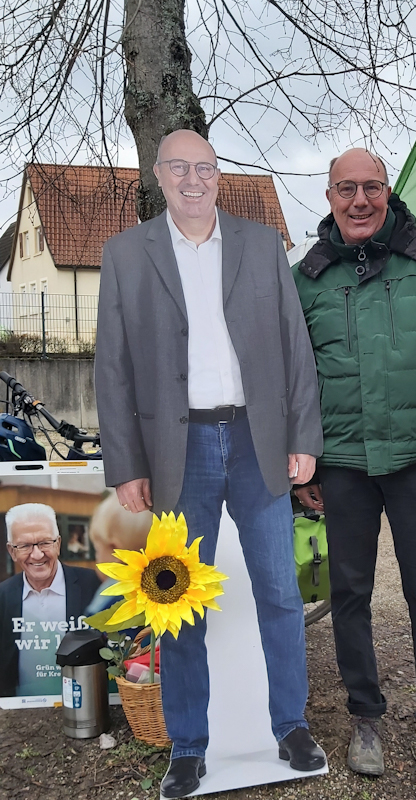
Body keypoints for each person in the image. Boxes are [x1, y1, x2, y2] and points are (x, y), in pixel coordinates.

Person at [95, 129, 326, 799]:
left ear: (218, 176)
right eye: (179, 168)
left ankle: (291, 725)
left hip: (257, 441)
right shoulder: (125, 254)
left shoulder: (262, 245)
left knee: (279, 593)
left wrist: (303, 436)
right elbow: (112, 367)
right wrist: (125, 465)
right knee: (175, 604)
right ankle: (188, 745)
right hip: (178, 450)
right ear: (158, 175)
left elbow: (295, 347)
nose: (192, 179)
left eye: (204, 168)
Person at [292, 148, 416, 786]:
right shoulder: (306, 277)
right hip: (343, 465)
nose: (360, 200)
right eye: (346, 188)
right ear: (329, 196)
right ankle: (364, 718)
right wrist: (306, 467)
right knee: (349, 595)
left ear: (389, 192)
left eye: (371, 187)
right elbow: (291, 380)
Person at [0, 503, 100, 697]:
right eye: (25, 546)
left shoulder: (94, 586)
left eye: (45, 542)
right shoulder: (3, 596)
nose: (37, 554)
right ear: (12, 551)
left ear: (58, 544)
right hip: (20, 710)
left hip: (85, 705)